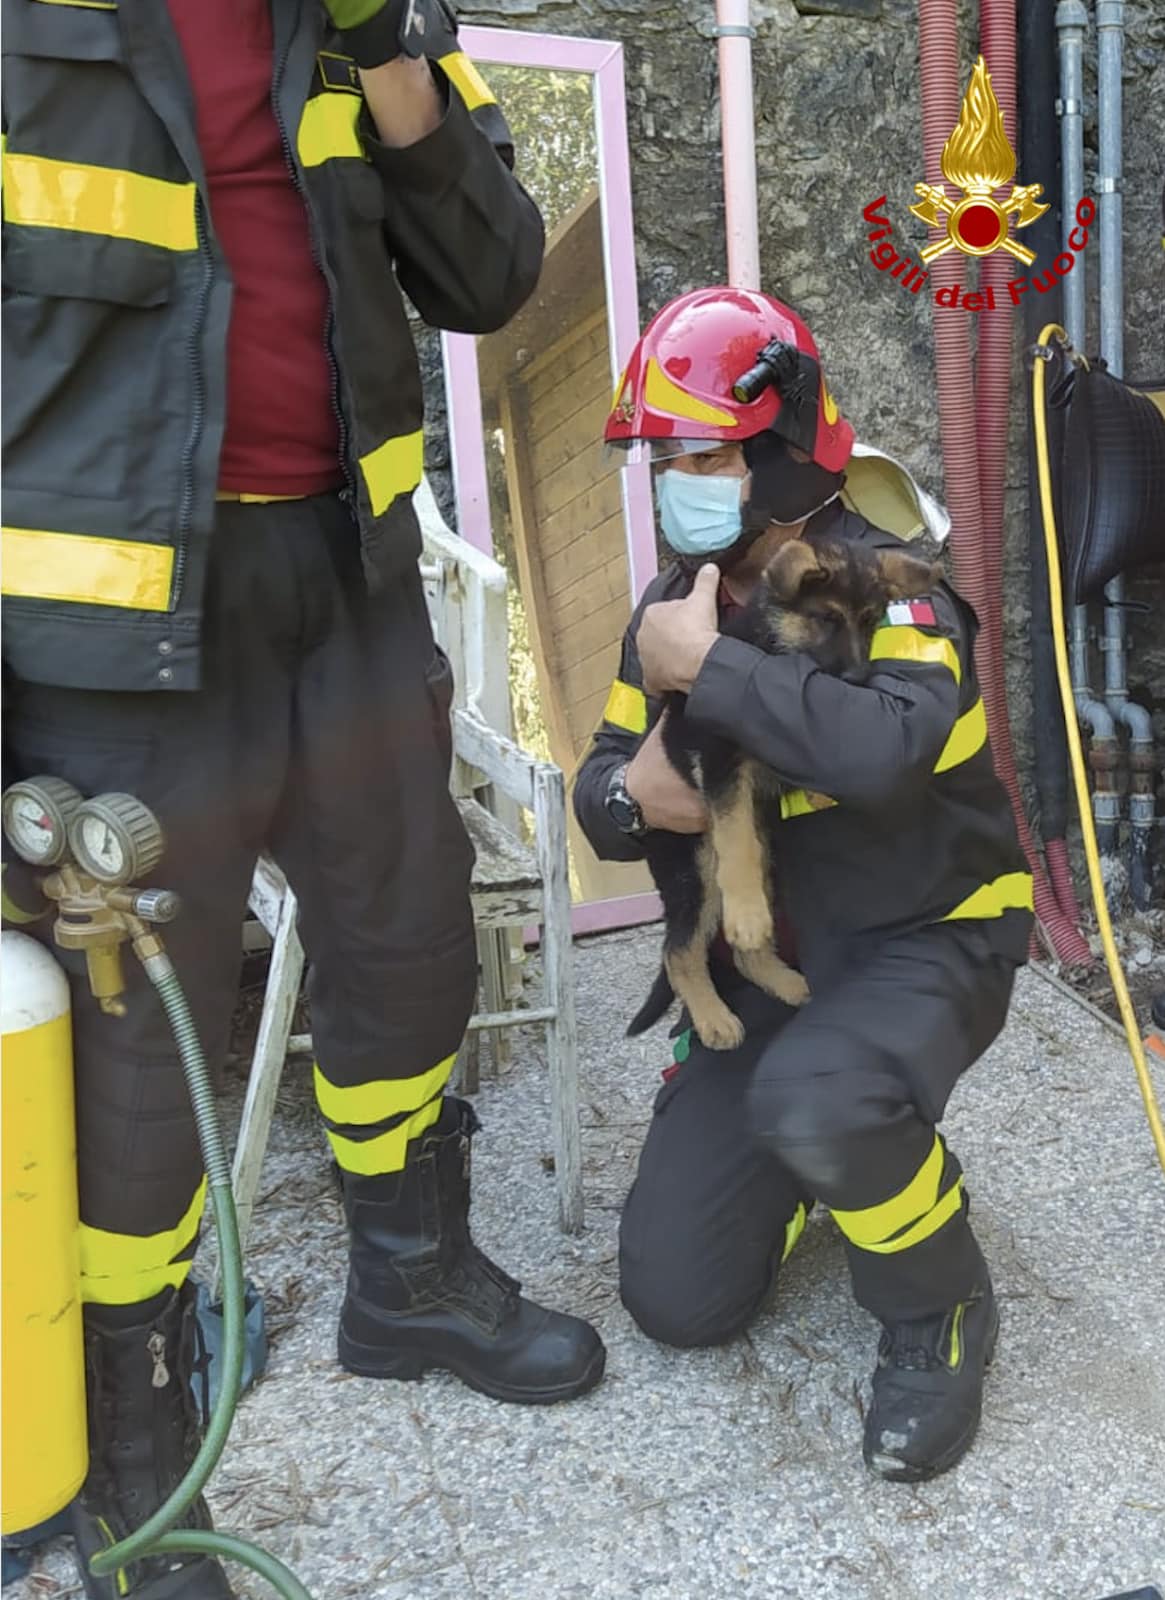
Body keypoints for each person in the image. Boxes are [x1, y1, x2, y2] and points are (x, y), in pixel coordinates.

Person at [1, 3, 605, 1595]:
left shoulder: (363, 19)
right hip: (110, 625)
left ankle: (409, 1279)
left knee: (406, 957)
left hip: (344, 583)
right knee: (141, 1062)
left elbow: (488, 274)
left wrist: (394, 49)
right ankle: (127, 1453)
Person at [573, 286, 1033, 1483]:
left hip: (923, 942)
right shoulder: (673, 607)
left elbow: (882, 755)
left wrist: (713, 677)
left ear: (781, 444)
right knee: (677, 1295)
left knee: (824, 1097)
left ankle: (938, 1303)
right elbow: (600, 787)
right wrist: (638, 799)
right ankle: (809, 1163)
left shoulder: (892, 579)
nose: (682, 479)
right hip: (772, 967)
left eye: (707, 450)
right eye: (666, 458)